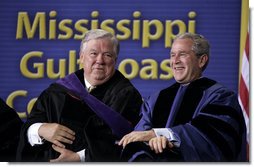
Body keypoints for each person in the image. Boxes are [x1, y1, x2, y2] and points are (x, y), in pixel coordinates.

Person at [16, 29, 143, 162]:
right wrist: (40, 129)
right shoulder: (58, 91)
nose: (100, 60)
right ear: (81, 57)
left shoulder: (126, 95)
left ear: (115, 61)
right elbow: (29, 127)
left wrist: (79, 158)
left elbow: (125, 141)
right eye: (93, 53)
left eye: (107, 55)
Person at [118, 32, 247, 162]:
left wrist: (164, 135)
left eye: (182, 54)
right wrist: (152, 140)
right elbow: (140, 135)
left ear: (201, 60)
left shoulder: (221, 97)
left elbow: (211, 139)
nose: (175, 60)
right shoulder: (156, 99)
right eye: (172, 55)